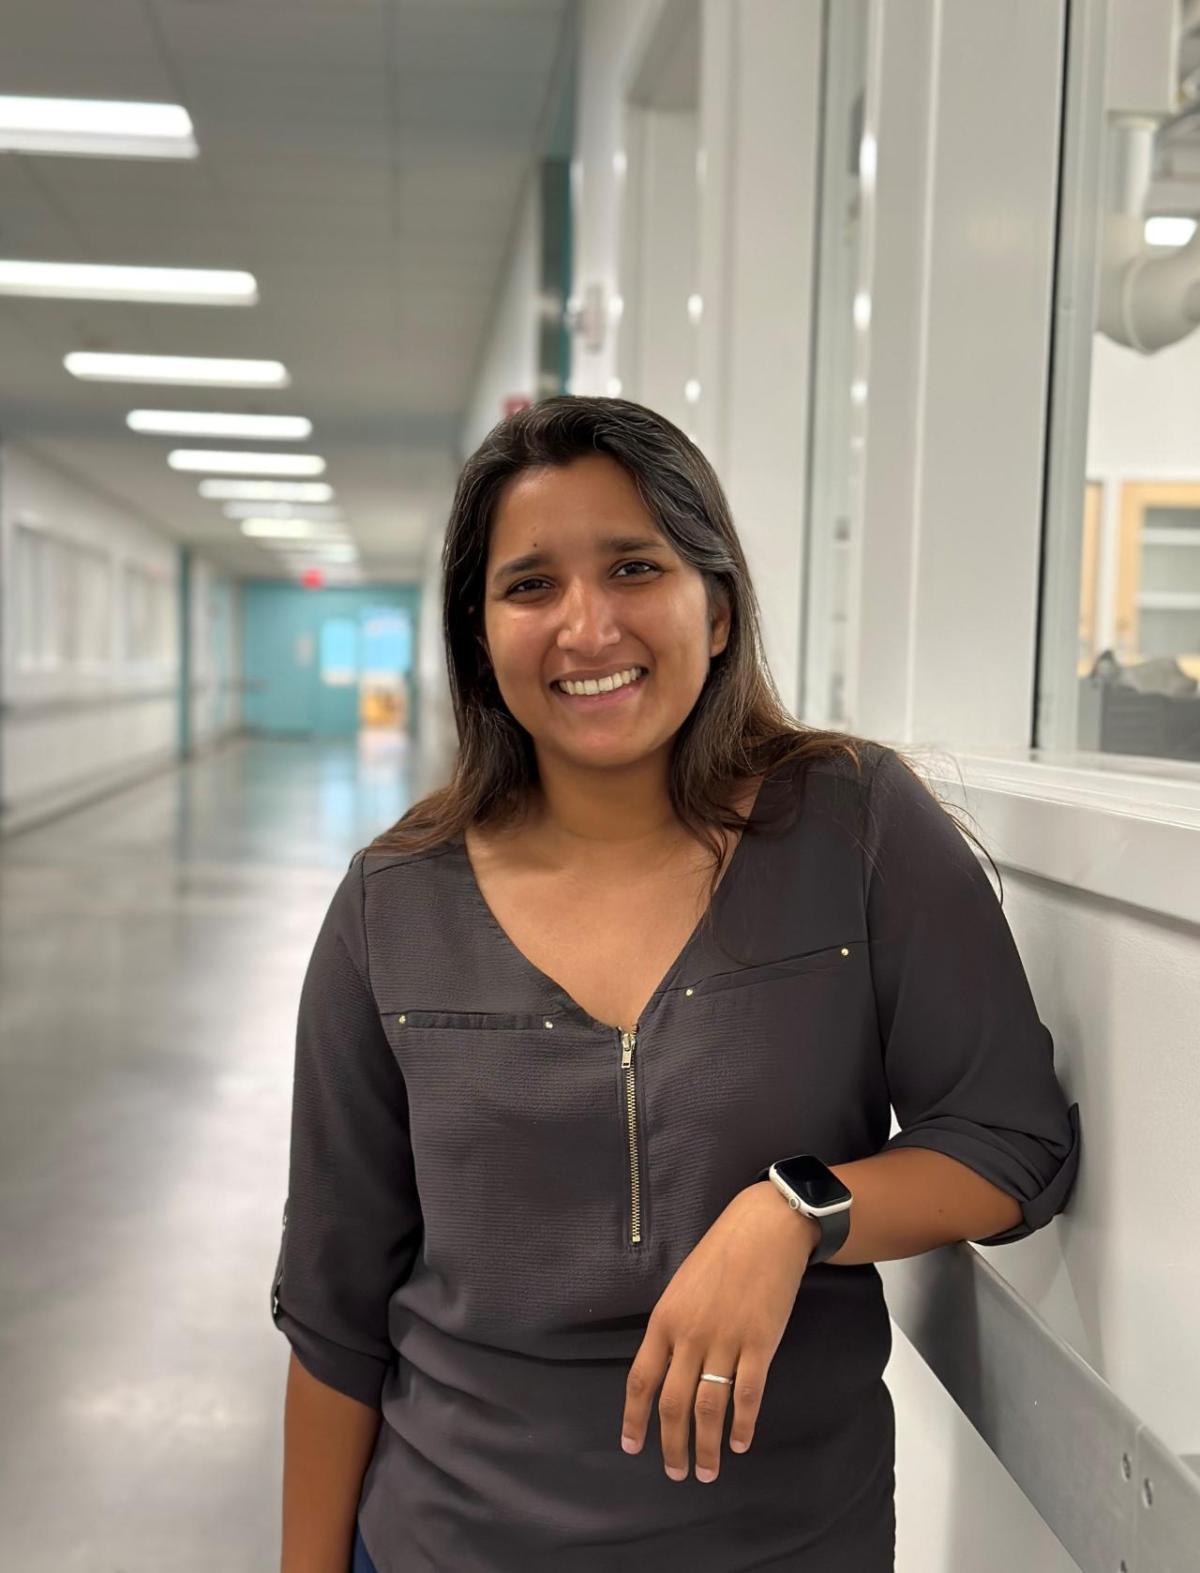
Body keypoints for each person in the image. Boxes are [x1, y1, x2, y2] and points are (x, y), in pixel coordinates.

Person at [272, 395, 1081, 1573]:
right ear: (479, 636)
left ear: (717, 604)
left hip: (786, 1545)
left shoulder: (852, 829)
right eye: (530, 584)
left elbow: (1015, 1144)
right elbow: (336, 1311)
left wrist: (796, 1212)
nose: (586, 625)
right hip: (451, 1542)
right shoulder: (391, 909)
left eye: (634, 566)